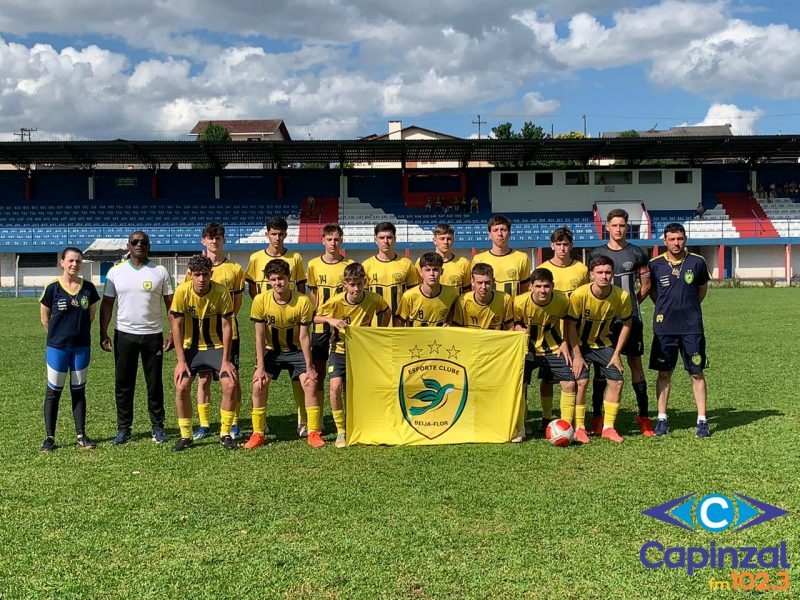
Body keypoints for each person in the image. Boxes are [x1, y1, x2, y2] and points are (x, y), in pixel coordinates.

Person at [99, 231, 174, 445]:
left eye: (143, 242)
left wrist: (171, 333)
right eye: (135, 242)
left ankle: (158, 427)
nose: (139, 244)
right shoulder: (116, 272)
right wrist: (103, 332)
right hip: (124, 335)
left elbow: (171, 306)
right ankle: (124, 429)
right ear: (128, 245)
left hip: (153, 336)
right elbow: (107, 305)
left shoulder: (160, 272)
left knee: (154, 383)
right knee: (123, 384)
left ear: (149, 246)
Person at [588, 209, 654, 437]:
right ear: (607, 226)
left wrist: (629, 305)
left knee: (635, 364)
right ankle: (598, 417)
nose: (618, 229)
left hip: (631, 319)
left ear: (627, 227)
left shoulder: (637, 253)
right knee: (601, 366)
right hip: (604, 321)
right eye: (614, 225)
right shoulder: (597, 252)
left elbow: (645, 286)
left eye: (622, 225)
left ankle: (643, 417)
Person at [246, 259, 321, 449]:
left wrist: (310, 366)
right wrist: (260, 367)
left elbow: (305, 337)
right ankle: (258, 432)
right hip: (273, 351)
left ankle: (313, 432)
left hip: (296, 350)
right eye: (273, 279)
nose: (278, 283)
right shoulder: (260, 300)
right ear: (268, 281)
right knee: (258, 384)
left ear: (289, 278)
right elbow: (259, 335)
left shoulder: (303, 301)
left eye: (281, 278)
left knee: (310, 383)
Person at [245, 216, 309, 437]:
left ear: (285, 235)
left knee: (300, 380)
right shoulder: (255, 258)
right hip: (270, 329)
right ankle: (259, 428)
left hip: (292, 323)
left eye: (281, 234)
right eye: (274, 233)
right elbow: (252, 287)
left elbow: (301, 287)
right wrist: (264, 306)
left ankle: (303, 421)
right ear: (267, 234)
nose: (277, 238)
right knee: (259, 380)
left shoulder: (296, 257)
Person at [314, 263, 391, 447]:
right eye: (352, 284)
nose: (356, 288)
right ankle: (341, 430)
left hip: (362, 352)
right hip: (339, 350)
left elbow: (386, 311)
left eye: (359, 283)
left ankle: (357, 424)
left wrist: (376, 331)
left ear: (364, 281)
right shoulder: (336, 302)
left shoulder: (374, 299)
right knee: (335, 386)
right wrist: (330, 320)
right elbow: (314, 317)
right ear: (345, 284)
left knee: (357, 389)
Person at [170, 255, 239, 452]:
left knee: (230, 383)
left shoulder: (221, 291)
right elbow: (176, 326)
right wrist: (180, 361)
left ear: (211, 274)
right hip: (190, 348)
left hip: (215, 347)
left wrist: (226, 360)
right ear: (190, 274)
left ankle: (225, 434)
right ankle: (186, 435)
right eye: (197, 275)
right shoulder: (182, 291)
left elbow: (227, 327)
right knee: (181, 386)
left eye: (205, 275)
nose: (201, 279)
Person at [648, 223, 711, 438]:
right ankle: (662, 418)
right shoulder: (655, 264)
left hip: (692, 328)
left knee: (696, 373)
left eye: (680, 238)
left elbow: (701, 291)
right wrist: (668, 309)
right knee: (664, 373)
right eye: (672, 239)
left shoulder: (697, 262)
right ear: (664, 241)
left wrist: (688, 309)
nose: (676, 243)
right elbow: (653, 292)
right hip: (664, 328)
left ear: (685, 239)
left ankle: (702, 420)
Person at [38, 247, 101, 452]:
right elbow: (45, 318)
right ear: (62, 262)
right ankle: (49, 437)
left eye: (78, 261)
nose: (74, 264)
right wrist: (60, 336)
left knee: (78, 391)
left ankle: (81, 435)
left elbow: (91, 316)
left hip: (81, 348)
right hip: (57, 349)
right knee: (53, 392)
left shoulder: (89, 288)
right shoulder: (52, 288)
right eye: (71, 261)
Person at [188, 223, 246, 442]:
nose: (214, 241)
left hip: (228, 332)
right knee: (203, 379)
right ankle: (204, 424)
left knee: (232, 377)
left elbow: (237, 303)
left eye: (218, 237)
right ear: (203, 240)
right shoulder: (193, 269)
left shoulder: (235, 269)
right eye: (210, 238)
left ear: (224, 240)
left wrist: (225, 320)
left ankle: (233, 423)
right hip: (202, 333)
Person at [565, 256, 632, 444]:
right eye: (600, 273)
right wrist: (577, 355)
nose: (604, 276)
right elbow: (569, 325)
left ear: (613, 274)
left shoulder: (621, 296)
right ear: (591, 274)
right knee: (582, 381)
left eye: (608, 272)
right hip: (579, 344)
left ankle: (608, 427)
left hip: (603, 344)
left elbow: (627, 323)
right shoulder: (579, 295)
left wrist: (617, 354)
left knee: (617, 380)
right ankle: (579, 428)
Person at [514, 268, 577, 443]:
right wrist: (520, 330)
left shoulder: (562, 300)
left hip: (554, 348)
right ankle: (521, 425)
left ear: (553, 286)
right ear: (530, 287)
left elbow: (568, 322)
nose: (543, 290)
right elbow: (515, 323)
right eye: (538, 286)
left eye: (547, 286)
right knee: (521, 386)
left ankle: (566, 425)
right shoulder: (519, 302)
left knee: (569, 383)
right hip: (527, 351)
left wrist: (565, 342)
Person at [536, 227, 588, 431]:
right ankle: (546, 416)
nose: (562, 248)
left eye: (566, 244)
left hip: (575, 329)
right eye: (558, 244)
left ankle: (576, 418)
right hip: (548, 332)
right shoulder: (543, 268)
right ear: (552, 246)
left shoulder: (581, 270)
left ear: (571, 246)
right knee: (547, 377)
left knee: (578, 376)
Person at [306, 224, 353, 425]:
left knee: (343, 375)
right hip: (321, 327)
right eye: (330, 239)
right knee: (319, 372)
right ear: (322, 240)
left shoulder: (349, 265)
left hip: (343, 327)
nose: (333, 243)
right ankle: (320, 419)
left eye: (337, 239)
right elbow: (313, 295)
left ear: (341, 241)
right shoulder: (313, 265)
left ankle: (347, 417)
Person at [363, 222, 418, 323]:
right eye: (381, 238)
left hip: (400, 324)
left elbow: (415, 296)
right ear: (376, 240)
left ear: (395, 239)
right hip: (375, 324)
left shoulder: (406, 264)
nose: (386, 241)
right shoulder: (366, 265)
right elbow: (363, 297)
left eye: (389, 237)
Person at [472, 214, 531, 299]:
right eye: (495, 230)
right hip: (488, 310)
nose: (500, 234)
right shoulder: (478, 259)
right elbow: (475, 290)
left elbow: (525, 291)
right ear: (489, 235)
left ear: (509, 234)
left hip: (512, 310)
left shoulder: (522, 258)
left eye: (503, 230)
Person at [395, 252, 458, 327]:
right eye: (428, 270)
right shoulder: (409, 296)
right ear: (421, 272)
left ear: (442, 272)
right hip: (416, 338)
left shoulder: (451, 293)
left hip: (440, 338)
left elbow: (454, 314)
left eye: (435, 270)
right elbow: (399, 323)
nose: (432, 274)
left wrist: (449, 322)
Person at [452, 263, 514, 331]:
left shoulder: (504, 299)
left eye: (487, 282)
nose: (484, 287)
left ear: (493, 281)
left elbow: (510, 328)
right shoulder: (463, 301)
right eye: (480, 283)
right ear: (472, 282)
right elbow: (456, 329)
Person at [414, 224, 471, 292]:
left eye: (449, 239)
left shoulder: (464, 263)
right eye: (442, 239)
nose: (445, 242)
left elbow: (467, 291)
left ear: (453, 240)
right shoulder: (421, 262)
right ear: (434, 241)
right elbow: (417, 290)